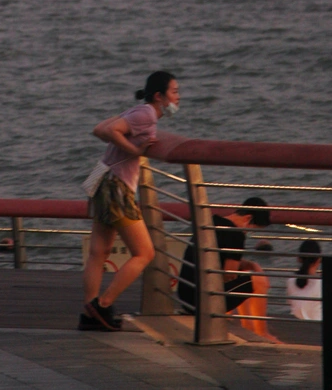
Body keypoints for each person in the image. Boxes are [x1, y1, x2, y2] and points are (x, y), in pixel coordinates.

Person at [80, 70, 180, 331]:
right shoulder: (146, 114)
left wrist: (126, 140)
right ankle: (103, 304)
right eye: (174, 92)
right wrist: (135, 150)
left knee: (98, 252)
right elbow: (109, 130)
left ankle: (90, 313)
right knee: (144, 252)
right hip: (117, 187)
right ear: (159, 96)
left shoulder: (137, 111)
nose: (178, 97)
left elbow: (100, 129)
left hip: (103, 180)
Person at [177, 197, 281, 343]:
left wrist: (250, 265)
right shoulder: (235, 234)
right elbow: (229, 275)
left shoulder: (212, 222)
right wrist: (252, 270)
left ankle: (247, 326)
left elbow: (219, 260)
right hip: (203, 302)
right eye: (252, 228)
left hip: (186, 296)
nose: (248, 232)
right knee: (258, 281)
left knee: (245, 277)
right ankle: (261, 332)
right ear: (248, 218)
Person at [286, 239, 322, 321]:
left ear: (299, 258)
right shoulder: (321, 284)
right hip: (318, 325)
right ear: (318, 260)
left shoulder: (290, 281)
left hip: (297, 324)